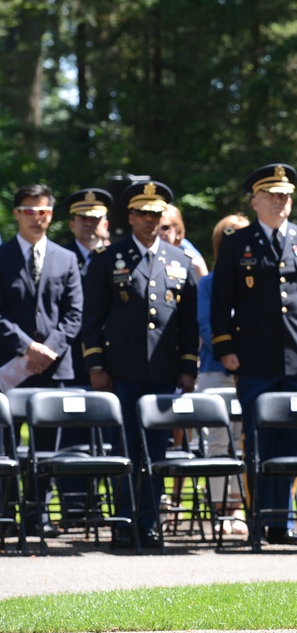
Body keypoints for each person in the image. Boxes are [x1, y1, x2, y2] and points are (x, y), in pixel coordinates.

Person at [210, 163, 297, 547]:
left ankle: (285, 522)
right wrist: (225, 348)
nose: (281, 201)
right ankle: (260, 519)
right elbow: (220, 304)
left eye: (285, 195)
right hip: (254, 359)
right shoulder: (235, 242)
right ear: (255, 200)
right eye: (272, 195)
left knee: (292, 442)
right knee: (259, 441)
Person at [81, 180, 199, 548]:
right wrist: (96, 366)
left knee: (157, 452)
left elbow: (188, 323)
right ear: (130, 216)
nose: (150, 221)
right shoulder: (108, 260)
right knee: (125, 451)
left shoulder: (179, 262)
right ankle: (123, 522)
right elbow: (92, 320)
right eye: (143, 214)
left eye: (156, 214)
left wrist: (188, 367)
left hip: (163, 373)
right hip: (122, 373)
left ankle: (148, 522)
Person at [0, 184, 83, 536]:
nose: (38, 218)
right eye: (30, 211)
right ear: (17, 213)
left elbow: (75, 314)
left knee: (47, 448)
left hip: (53, 368)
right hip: (9, 368)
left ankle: (38, 515)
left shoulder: (66, 259)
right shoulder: (1, 257)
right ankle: (4, 516)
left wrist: (48, 349)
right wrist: (24, 346)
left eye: (44, 211)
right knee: (5, 447)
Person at [58, 187, 113, 524]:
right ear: (72, 223)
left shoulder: (115, 258)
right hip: (72, 364)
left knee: (105, 439)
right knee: (73, 438)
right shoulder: (61, 258)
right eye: (83, 219)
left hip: (111, 362)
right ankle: (74, 507)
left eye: (96, 219)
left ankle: (99, 509)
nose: (90, 225)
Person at [197, 212, 250, 532]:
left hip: (251, 374)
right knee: (217, 442)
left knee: (243, 442)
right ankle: (219, 510)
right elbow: (207, 327)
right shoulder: (209, 283)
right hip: (217, 370)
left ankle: (238, 507)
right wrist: (232, 353)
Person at [159, 203, 209, 281]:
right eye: (156, 227)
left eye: (165, 228)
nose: (160, 233)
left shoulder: (192, 258)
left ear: (177, 229)